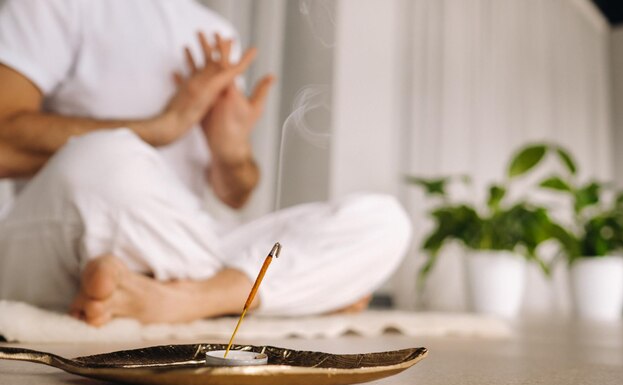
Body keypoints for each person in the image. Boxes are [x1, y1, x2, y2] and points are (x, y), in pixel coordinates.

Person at [0, 0, 412, 326]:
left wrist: (231, 154)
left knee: (383, 220)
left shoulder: (214, 30)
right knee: (105, 157)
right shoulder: (52, 5)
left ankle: (186, 299)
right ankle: (271, 295)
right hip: (66, 237)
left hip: (186, 237)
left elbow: (236, 193)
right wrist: (163, 126)